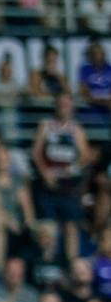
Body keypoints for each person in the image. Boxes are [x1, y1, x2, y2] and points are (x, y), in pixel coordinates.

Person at [30, 93, 91, 261]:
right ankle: (48, 262)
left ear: (72, 107)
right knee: (48, 226)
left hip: (68, 185)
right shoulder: (46, 126)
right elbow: (36, 153)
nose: (64, 107)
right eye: (61, 104)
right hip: (48, 184)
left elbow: (85, 156)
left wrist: (72, 169)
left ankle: (72, 261)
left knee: (71, 225)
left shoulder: (76, 129)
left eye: (67, 104)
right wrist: (45, 172)